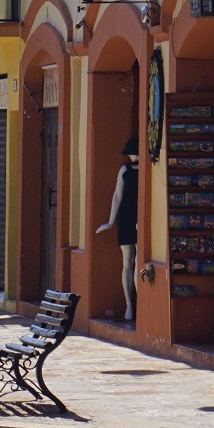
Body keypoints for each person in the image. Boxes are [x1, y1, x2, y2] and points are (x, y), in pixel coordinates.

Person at [95, 138, 141, 322]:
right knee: (128, 260)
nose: (130, 156)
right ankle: (129, 304)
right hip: (126, 218)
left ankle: (140, 302)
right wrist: (111, 221)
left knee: (138, 260)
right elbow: (117, 195)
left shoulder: (148, 169)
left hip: (140, 219)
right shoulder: (125, 170)